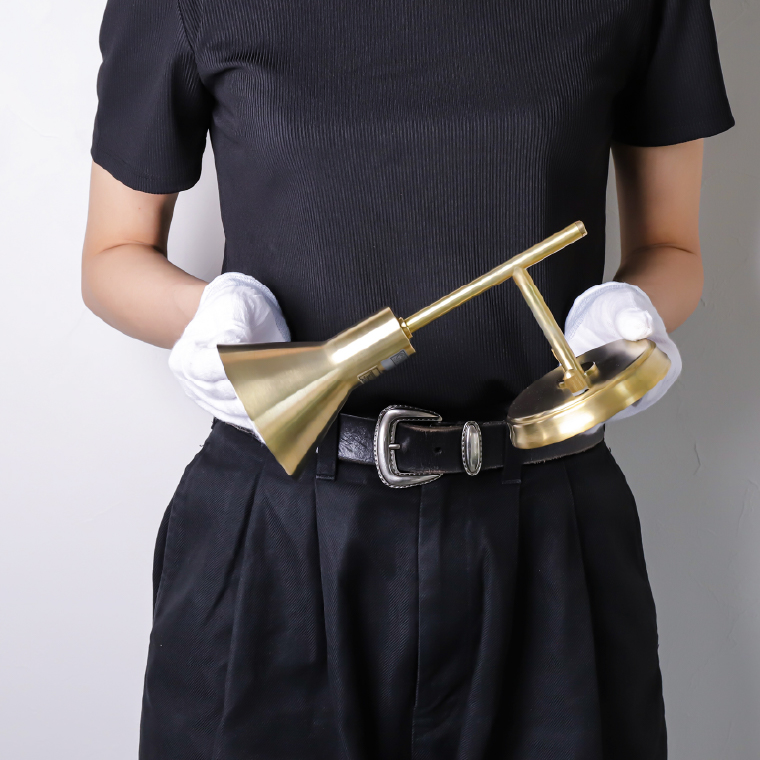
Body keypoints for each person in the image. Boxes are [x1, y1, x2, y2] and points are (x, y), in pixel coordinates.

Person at [81, 0, 734, 757]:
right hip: (277, 532)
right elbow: (112, 257)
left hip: (545, 528)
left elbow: (671, 247)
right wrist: (209, 320)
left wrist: (629, 321)